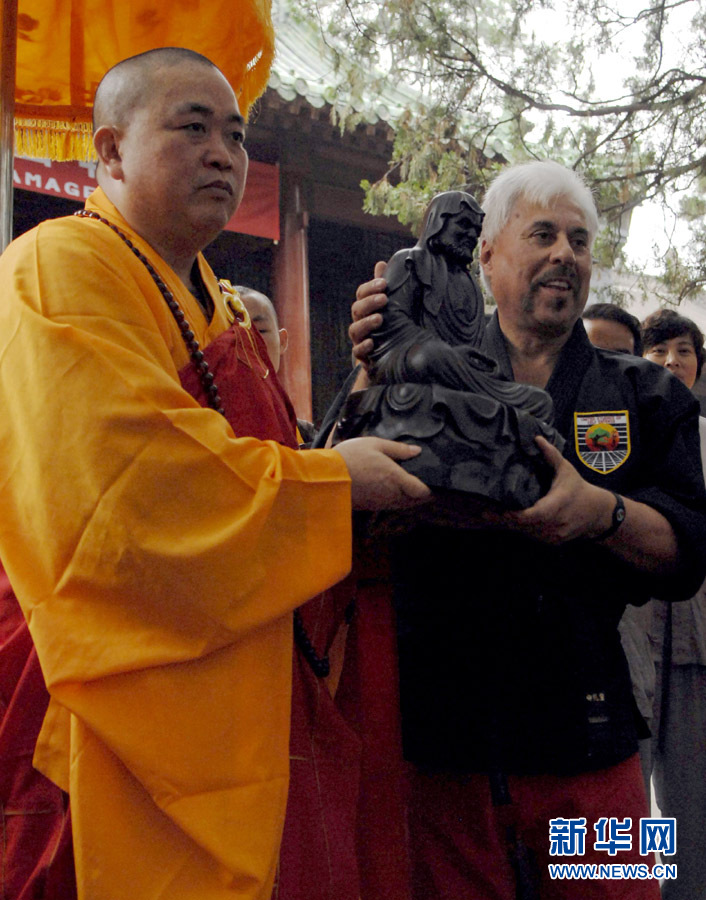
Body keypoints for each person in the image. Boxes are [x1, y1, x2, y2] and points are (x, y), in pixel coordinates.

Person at [0, 47, 430, 900]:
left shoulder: (222, 305)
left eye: (235, 136)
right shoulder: (57, 266)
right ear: (112, 152)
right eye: (192, 127)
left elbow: (266, 461)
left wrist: (374, 400)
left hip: (244, 695)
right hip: (107, 700)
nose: (224, 155)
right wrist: (333, 485)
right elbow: (125, 495)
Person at [345, 160, 706, 899]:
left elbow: (690, 547)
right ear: (486, 253)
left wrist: (599, 513)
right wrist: (370, 368)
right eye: (541, 234)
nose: (563, 255)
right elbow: (345, 501)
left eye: (579, 240)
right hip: (446, 748)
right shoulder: (429, 355)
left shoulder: (645, 391)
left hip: (596, 735)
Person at [641, 308, 706, 900]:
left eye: (683, 351)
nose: (670, 363)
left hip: (698, 648)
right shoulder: (616, 433)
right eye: (657, 351)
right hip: (629, 646)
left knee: (693, 801)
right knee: (622, 807)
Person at [235, 284, 316, 443]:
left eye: (260, 331)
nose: (250, 341)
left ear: (282, 341)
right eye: (234, 332)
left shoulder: (303, 434)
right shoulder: (211, 427)